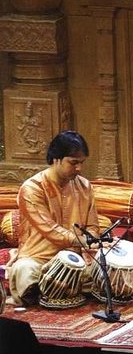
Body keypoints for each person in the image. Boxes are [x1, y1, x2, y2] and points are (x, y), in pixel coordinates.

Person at [7, 131, 101, 306]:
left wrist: (92, 239)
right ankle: (55, 289)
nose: (79, 168)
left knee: (108, 264)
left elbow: (93, 225)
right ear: (56, 159)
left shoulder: (84, 186)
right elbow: (51, 230)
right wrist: (85, 240)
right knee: (24, 271)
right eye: (73, 163)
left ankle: (58, 288)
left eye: (82, 163)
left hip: (76, 258)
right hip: (39, 258)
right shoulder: (32, 188)